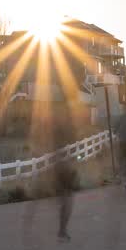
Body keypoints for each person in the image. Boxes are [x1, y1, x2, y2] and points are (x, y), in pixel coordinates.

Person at [50, 99, 79, 242]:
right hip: (62, 168)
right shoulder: (61, 128)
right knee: (67, 203)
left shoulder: (57, 126)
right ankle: (62, 232)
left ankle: (62, 231)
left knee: (65, 202)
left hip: (61, 167)